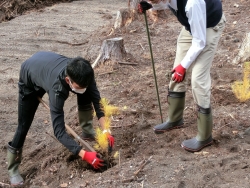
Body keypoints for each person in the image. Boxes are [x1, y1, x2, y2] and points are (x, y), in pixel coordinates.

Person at [7, 51, 115, 186]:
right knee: (23, 124)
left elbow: (98, 104)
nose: (84, 88)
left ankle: (87, 131)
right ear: (68, 80)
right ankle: (13, 168)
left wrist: (106, 130)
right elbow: (59, 131)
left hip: (47, 67)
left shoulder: (85, 74)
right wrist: (84, 154)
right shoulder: (57, 90)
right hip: (30, 76)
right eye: (79, 87)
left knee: (86, 93)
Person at [139, 0, 226, 152]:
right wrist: (151, 5)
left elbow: (199, 42)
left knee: (198, 79)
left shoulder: (192, 3)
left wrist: (184, 67)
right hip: (192, 26)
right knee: (176, 71)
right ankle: (175, 118)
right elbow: (168, 4)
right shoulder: (167, 1)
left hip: (209, 26)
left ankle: (205, 136)